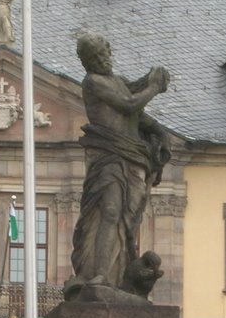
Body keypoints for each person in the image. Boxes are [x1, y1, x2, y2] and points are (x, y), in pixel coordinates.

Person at [65, 33, 172, 302]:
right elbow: (128, 105)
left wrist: (163, 135)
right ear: (86, 62)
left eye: (105, 55)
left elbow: (139, 116)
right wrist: (154, 87)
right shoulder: (93, 82)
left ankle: (118, 276)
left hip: (134, 158)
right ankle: (98, 275)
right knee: (110, 211)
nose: (103, 61)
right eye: (96, 59)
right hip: (109, 158)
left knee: (129, 220)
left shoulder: (118, 81)